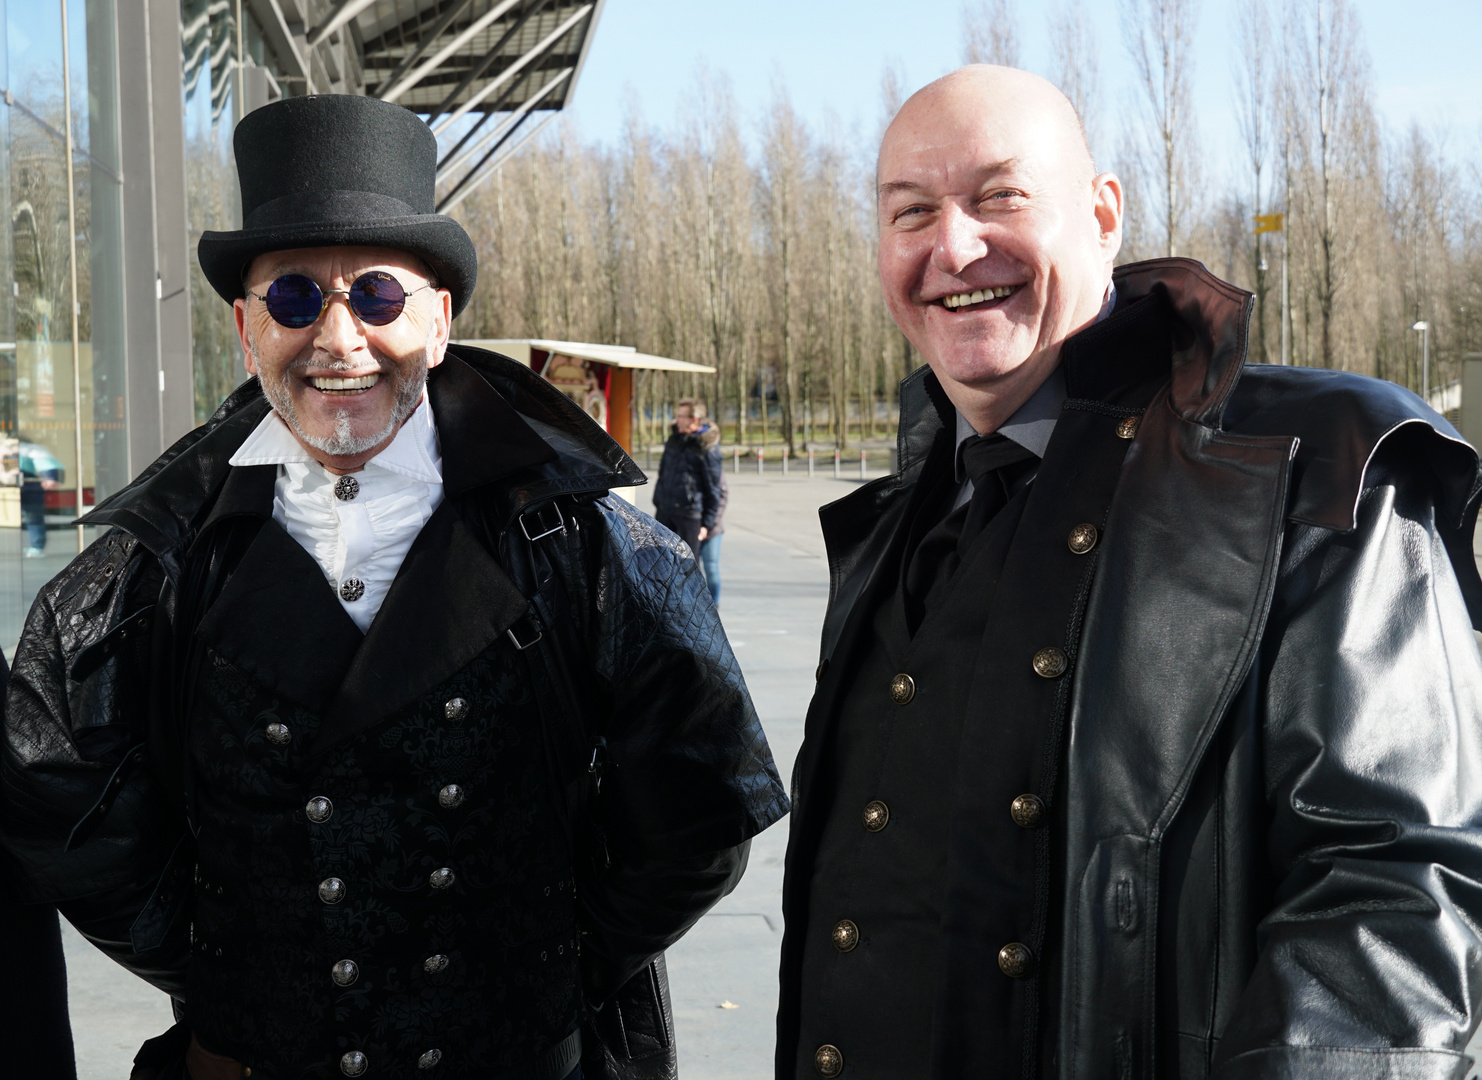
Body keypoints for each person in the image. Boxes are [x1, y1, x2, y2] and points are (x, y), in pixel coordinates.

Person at [0, 94, 788, 1080]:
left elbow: (704, 803)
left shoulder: (580, 539)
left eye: (375, 294)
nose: (338, 339)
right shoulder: (160, 561)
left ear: (440, 320)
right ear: (247, 332)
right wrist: (229, 970)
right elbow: (54, 785)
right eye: (294, 299)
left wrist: (547, 967)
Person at [776, 64, 1482, 1080]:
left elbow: (1398, 902)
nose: (954, 246)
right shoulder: (902, 521)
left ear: (1103, 216)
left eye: (999, 196)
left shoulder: (1317, 470)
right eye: (912, 212)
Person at [651, 398, 721, 559]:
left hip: (689, 515)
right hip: (664, 512)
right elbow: (663, 473)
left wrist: (706, 525)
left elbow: (713, 489)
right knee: (659, 564)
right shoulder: (674, 440)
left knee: (688, 567)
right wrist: (658, 500)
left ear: (694, 420)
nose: (677, 420)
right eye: (678, 415)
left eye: (682, 416)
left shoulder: (706, 448)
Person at [699, 467, 728, 606]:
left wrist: (708, 525)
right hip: (690, 525)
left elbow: (722, 499)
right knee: (691, 568)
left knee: (711, 567)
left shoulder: (714, 468)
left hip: (712, 530)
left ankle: (714, 604)